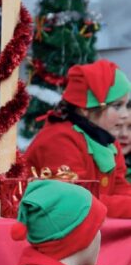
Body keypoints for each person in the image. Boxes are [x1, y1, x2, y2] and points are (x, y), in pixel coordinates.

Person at [25, 60, 131, 218]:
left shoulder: (108, 141)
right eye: (117, 106)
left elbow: (121, 189)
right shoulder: (59, 140)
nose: (126, 115)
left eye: (127, 106)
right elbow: (77, 202)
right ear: (85, 109)